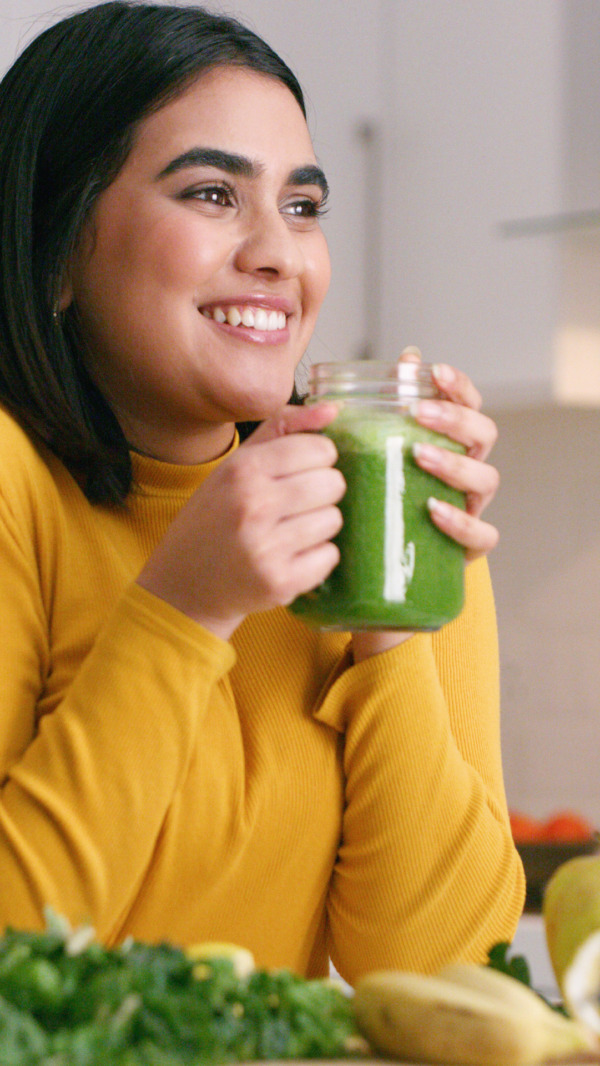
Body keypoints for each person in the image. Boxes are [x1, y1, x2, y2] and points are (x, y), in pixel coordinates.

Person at [0, 0, 524, 985]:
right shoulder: (13, 486)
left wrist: (390, 603)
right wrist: (184, 608)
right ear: (58, 244)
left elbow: (438, 974)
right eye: (209, 194)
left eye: (303, 204)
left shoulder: (396, 487)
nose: (279, 253)